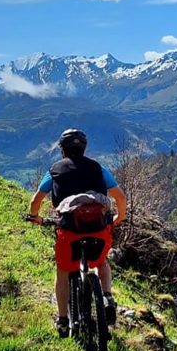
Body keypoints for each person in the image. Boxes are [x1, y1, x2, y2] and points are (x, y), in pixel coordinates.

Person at [27, 128, 127, 338]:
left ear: (63, 149)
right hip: (99, 230)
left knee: (63, 272)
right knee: (101, 263)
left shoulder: (54, 170)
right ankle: (107, 296)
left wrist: (35, 217)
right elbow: (120, 198)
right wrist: (119, 218)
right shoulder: (98, 168)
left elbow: (36, 200)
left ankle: (63, 321)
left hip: (69, 232)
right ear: (83, 148)